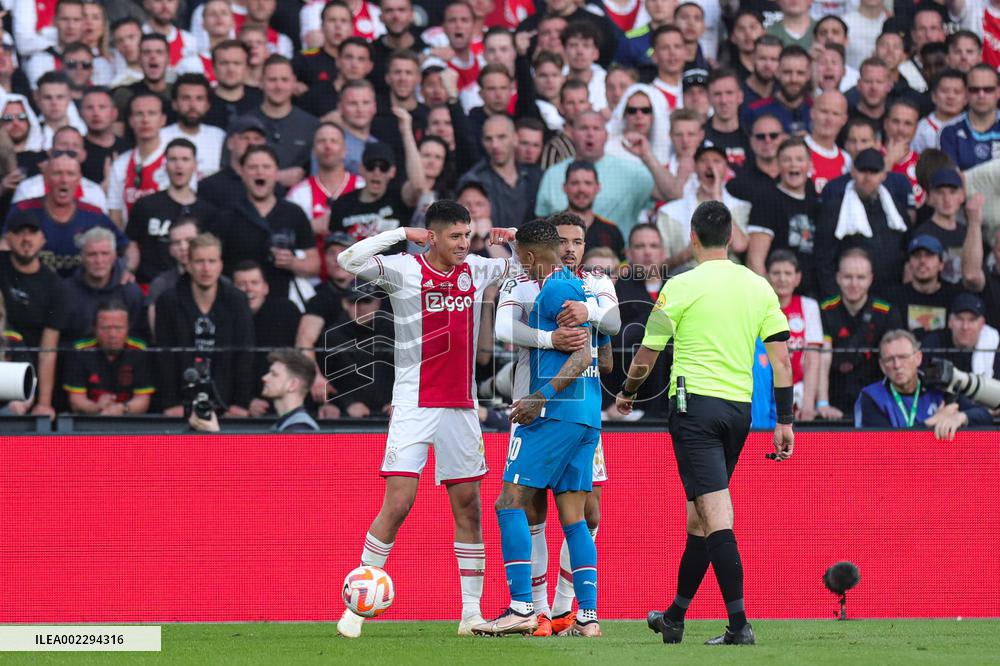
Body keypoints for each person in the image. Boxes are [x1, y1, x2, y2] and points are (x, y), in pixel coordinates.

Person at [617, 200, 794, 647]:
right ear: (733, 237)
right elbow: (781, 361)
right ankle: (674, 617)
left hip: (694, 409)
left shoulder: (679, 286)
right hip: (740, 412)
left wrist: (628, 393)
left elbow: (647, 353)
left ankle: (739, 626)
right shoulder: (759, 287)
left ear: (692, 238)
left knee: (715, 516)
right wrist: (786, 420)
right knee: (699, 518)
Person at [473, 219, 603, 638]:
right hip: (585, 415)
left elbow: (581, 356)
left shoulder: (557, 290)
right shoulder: (569, 284)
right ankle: (587, 616)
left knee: (509, 503)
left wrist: (539, 397)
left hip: (556, 412)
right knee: (573, 518)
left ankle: (521, 608)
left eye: (522, 262)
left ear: (529, 258)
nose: (520, 270)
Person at [154, 232, 255, 418]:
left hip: (227, 402)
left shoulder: (237, 301)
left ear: (221, 265)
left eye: (212, 261)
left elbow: (245, 354)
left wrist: (241, 403)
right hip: (181, 401)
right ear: (189, 265)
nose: (206, 268)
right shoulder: (168, 301)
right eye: (199, 261)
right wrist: (170, 403)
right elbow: (165, 356)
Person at [212, 144, 319, 303]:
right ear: (241, 172)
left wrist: (293, 263)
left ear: (276, 173)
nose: (260, 172)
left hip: (281, 301)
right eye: (253, 167)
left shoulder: (294, 213)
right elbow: (212, 263)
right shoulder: (226, 216)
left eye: (266, 167)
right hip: (237, 304)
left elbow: (315, 264)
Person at [8, 153, 128, 279]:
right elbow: (4, 244)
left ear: (79, 180)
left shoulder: (94, 214)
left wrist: (126, 270)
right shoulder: (23, 209)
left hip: (81, 293)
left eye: (70, 174)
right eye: (57, 173)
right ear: (46, 178)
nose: (64, 180)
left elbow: (126, 247)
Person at [855, 329, 991, 438]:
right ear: (882, 366)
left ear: (918, 358)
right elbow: (882, 445)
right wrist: (932, 421)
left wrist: (960, 417)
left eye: (903, 357)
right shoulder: (871, 396)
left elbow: (985, 416)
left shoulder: (941, 387)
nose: (897, 365)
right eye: (890, 359)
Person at [814, 148, 909, 297]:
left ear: (884, 175)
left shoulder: (895, 210)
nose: (868, 177)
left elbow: (905, 250)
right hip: (847, 298)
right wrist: (835, 300)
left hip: (891, 295)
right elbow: (823, 261)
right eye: (863, 171)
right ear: (852, 172)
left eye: (874, 172)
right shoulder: (834, 209)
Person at [820, 247, 903, 415]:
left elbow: (897, 361)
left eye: (861, 277)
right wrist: (822, 403)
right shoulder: (824, 310)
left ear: (871, 279)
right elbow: (820, 360)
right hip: (833, 405)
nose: (854, 284)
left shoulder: (887, 312)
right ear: (838, 278)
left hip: (878, 403)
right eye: (848, 277)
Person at [0, 210, 67, 418]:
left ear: (43, 239)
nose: (26, 239)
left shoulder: (55, 286)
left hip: (27, 371)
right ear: (8, 239)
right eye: (19, 233)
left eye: (33, 232)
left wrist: (44, 403)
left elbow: (48, 350)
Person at [127, 138, 216, 285]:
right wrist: (128, 270)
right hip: (151, 284)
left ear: (195, 165)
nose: (179, 165)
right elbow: (132, 243)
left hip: (195, 287)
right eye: (173, 159)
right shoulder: (146, 205)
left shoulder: (208, 211)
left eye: (185, 159)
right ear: (165, 165)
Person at [746, 137, 820, 295]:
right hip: (778, 299)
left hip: (808, 298)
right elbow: (755, 260)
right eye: (787, 160)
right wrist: (769, 301)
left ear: (810, 164)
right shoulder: (767, 200)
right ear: (778, 165)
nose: (794, 164)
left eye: (799, 159)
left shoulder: (814, 201)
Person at [659, 143, 749, 272]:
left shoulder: (740, 207)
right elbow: (660, 267)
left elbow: (739, 245)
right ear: (695, 168)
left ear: (726, 168)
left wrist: (717, 197)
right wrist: (687, 253)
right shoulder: (670, 212)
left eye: (716, 161)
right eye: (703, 161)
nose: (710, 166)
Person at [189, 348, 321, 433]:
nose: (264, 378)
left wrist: (215, 434)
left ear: (292, 384)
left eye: (274, 374)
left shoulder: (301, 429)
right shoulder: (287, 425)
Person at [231, 260, 301, 417]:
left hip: (285, 402)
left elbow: (299, 359)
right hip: (239, 407)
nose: (248, 289)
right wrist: (245, 400)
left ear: (265, 287)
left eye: (254, 283)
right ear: (232, 290)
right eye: (241, 284)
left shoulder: (286, 311)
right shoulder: (226, 319)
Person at [63, 300, 154, 416]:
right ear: (95, 329)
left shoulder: (139, 350)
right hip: (89, 422)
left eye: (119, 328)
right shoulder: (79, 350)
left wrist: (122, 408)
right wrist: (96, 407)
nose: (112, 335)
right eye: (105, 328)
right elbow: (76, 401)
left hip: (130, 423)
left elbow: (143, 401)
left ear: (128, 329)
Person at [765, 250, 825, 420]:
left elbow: (813, 358)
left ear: (797, 278)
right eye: (776, 273)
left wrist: (808, 403)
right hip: (764, 387)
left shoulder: (809, 306)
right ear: (767, 276)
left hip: (798, 388)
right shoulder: (759, 307)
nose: (782, 279)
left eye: (788, 273)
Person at [61, 226, 146, 345]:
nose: (99, 261)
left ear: (114, 256)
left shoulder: (130, 291)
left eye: (105, 254)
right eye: (92, 254)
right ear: (82, 257)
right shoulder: (65, 292)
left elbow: (139, 340)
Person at [457, 115, 541, 230]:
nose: (495, 145)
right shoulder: (474, 180)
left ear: (515, 139)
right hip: (492, 245)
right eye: (488, 139)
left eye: (501, 137)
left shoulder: (534, 176)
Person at [160, 74, 225, 180]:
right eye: (186, 98)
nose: (192, 105)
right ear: (175, 104)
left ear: (207, 105)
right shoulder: (160, 137)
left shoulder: (219, 137)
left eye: (199, 99)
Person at [922, 293, 1000, 379]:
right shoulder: (933, 344)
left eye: (972, 320)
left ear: (982, 324)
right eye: (959, 319)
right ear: (950, 322)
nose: (965, 327)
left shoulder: (993, 350)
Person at [897, 235, 961, 338]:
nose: (922, 261)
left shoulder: (954, 297)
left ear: (941, 264)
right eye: (916, 256)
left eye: (929, 255)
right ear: (909, 264)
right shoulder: (894, 298)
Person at [939, 65, 1000, 171]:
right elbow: (953, 180)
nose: (981, 95)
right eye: (974, 90)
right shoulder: (949, 131)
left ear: (998, 92)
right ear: (966, 93)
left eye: (988, 89)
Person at [561, 161, 626, 259]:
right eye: (575, 183)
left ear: (597, 188)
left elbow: (621, 271)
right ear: (565, 187)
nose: (581, 189)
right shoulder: (548, 228)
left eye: (588, 183)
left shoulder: (612, 232)